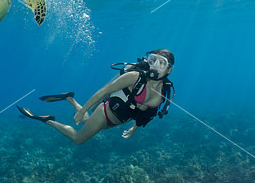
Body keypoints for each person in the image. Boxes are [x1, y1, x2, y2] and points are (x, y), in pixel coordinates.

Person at [16, 49, 175, 145]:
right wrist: (83, 110)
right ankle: (47, 120)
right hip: (105, 113)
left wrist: (134, 129)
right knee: (78, 139)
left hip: (117, 121)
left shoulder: (164, 92)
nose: (155, 66)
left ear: (169, 70)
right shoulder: (134, 77)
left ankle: (70, 98)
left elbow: (146, 114)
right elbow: (103, 91)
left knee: (86, 121)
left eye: (161, 63)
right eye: (153, 60)